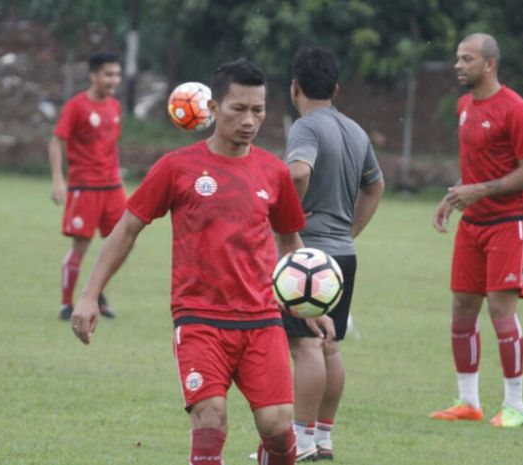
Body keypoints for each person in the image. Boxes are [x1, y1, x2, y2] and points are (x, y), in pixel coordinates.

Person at [70, 58, 335, 465]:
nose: (250, 120)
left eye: (258, 110)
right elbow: (126, 229)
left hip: (261, 318)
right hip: (199, 319)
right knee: (210, 419)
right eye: (238, 109)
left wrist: (307, 303)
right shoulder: (177, 168)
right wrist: (89, 295)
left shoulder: (273, 172)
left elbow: (289, 240)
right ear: (212, 109)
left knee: (278, 426)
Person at [430, 33, 523, 428]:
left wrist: (478, 191)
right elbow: (477, 168)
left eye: (467, 59)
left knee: (500, 309)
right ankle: (469, 402)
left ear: (489, 64)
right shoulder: (463, 105)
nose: (458, 65)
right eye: (457, 58)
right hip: (473, 223)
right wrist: (453, 198)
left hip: (511, 222)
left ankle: (515, 406)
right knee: (462, 309)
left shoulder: (517, 110)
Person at [282, 47, 384, 461]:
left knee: (305, 346)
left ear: (294, 88)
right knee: (331, 346)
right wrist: (350, 231)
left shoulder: (305, 127)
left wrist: (289, 220)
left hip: (308, 252)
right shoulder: (356, 130)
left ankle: (300, 441)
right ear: (336, 88)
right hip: (342, 253)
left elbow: (298, 171)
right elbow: (375, 187)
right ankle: (323, 437)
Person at [49, 52, 126, 320]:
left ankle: (96, 293)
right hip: (85, 187)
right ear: (93, 75)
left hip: (112, 187)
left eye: (117, 74)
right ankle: (66, 304)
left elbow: (110, 146)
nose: (113, 79)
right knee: (81, 247)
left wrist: (118, 175)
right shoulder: (77, 106)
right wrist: (58, 179)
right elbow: (57, 140)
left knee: (121, 243)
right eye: (108, 74)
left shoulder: (115, 107)